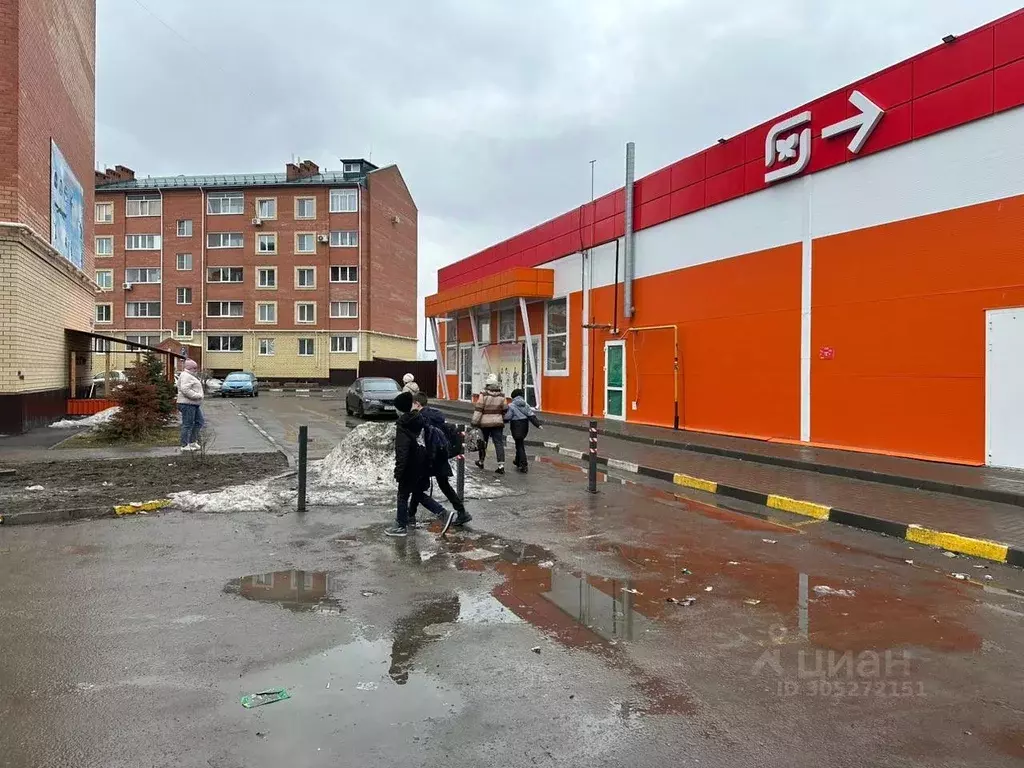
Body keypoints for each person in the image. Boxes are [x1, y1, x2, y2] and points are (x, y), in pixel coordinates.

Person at [387, 390, 454, 537]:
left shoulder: (403, 424)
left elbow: (402, 451)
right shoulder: (419, 419)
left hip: (410, 465)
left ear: (400, 409)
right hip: (422, 463)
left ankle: (400, 526)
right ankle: (443, 513)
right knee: (418, 493)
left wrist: (399, 471)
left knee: (402, 495)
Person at [410, 391, 471, 530]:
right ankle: (461, 512)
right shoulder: (436, 414)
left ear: (417, 404)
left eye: (412, 404)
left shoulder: (422, 418)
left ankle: (416, 515)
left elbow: (423, 438)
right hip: (441, 454)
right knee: (443, 485)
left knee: (417, 486)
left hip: (429, 456)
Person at [471, 373, 508, 474]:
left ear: (487, 384)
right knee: (499, 444)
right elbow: (505, 409)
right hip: (498, 423)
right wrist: (502, 418)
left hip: (485, 424)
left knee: (483, 443)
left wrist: (474, 422)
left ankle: (481, 461)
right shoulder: (502, 395)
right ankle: (501, 466)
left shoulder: (483, 395)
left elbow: (479, 409)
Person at [505, 388, 543, 473]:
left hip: (516, 426)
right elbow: (531, 415)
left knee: (519, 445)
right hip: (525, 426)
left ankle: (523, 464)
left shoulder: (511, 406)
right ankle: (517, 461)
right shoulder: (526, 404)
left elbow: (507, 417)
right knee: (520, 443)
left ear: (513, 396)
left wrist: (501, 420)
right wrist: (538, 425)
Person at [176, 359, 205, 451]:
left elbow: (180, 386)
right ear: (189, 368)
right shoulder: (186, 376)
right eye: (194, 368)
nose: (196, 369)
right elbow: (185, 389)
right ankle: (184, 445)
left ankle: (192, 442)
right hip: (187, 404)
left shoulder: (188, 376)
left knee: (199, 422)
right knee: (187, 424)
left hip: (192, 404)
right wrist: (197, 396)